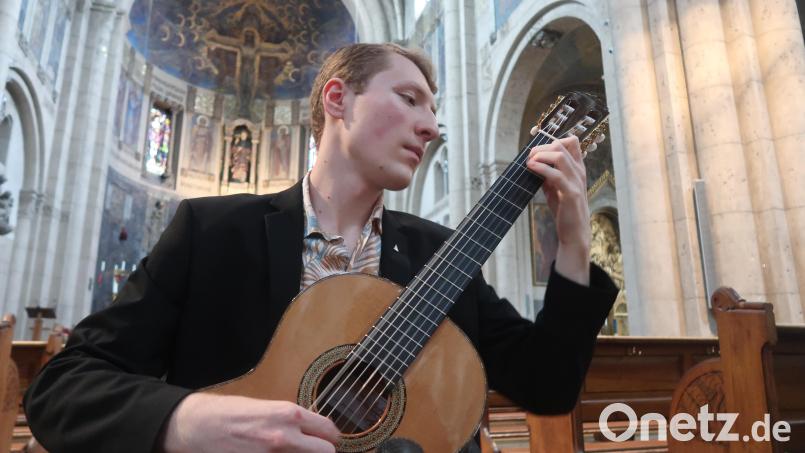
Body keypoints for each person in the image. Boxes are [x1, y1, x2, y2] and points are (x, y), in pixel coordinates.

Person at [24, 43, 618, 453]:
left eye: (435, 110)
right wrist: (188, 421)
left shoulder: (443, 255)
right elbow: (63, 388)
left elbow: (549, 385)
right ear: (338, 99)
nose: (433, 127)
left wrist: (571, 237)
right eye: (411, 99)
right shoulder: (214, 233)